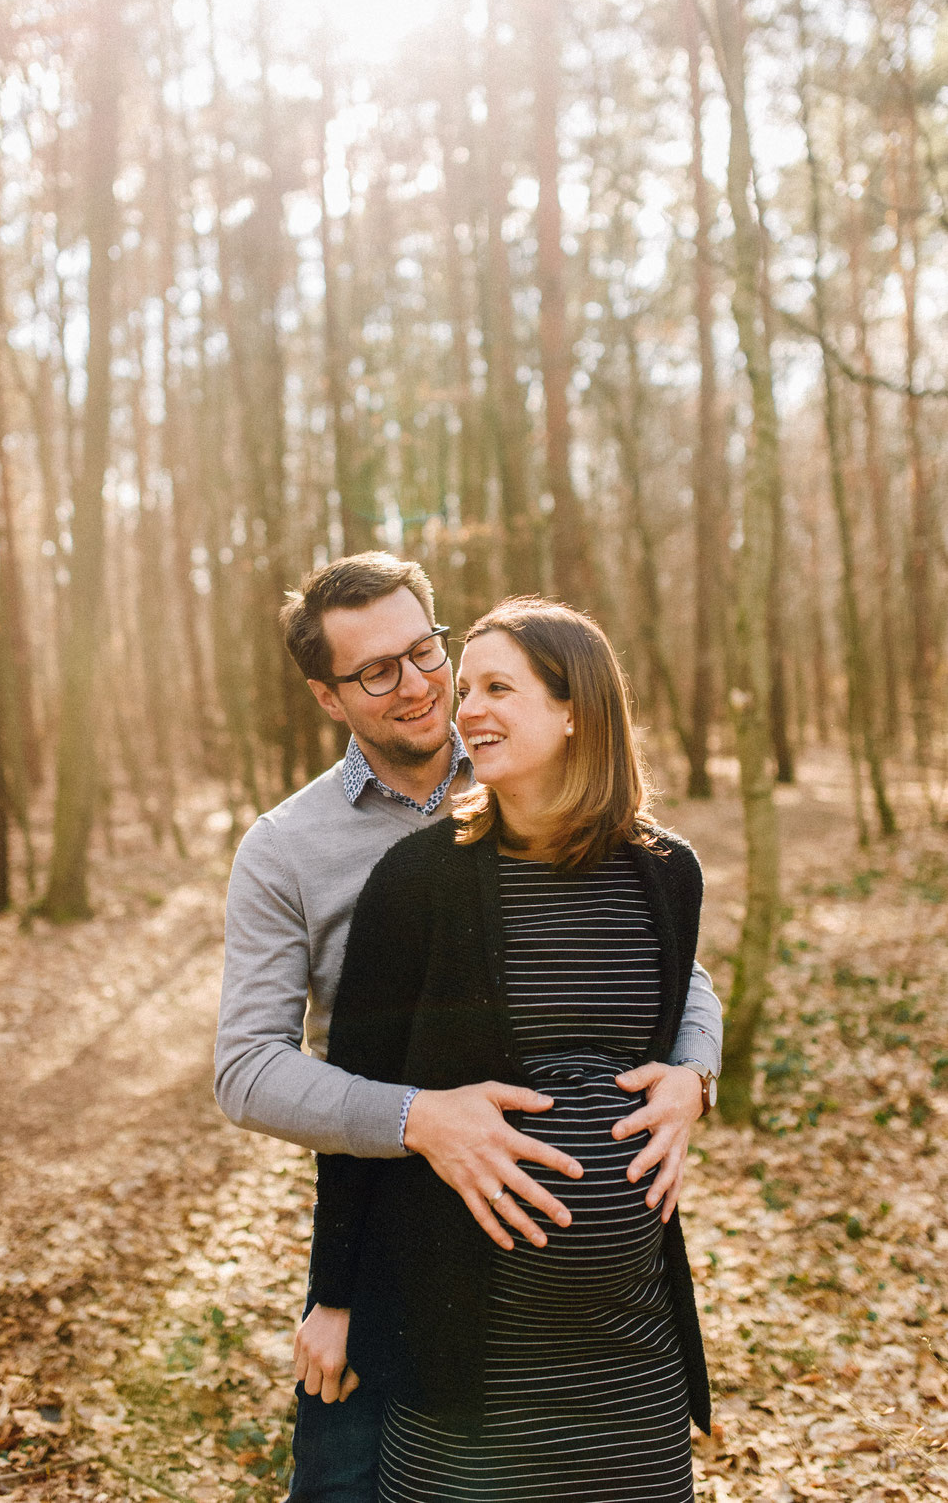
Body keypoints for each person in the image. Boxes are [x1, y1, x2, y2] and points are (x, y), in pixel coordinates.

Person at [214, 555, 721, 1502]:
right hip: (408, 1264)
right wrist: (416, 1130)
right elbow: (249, 1070)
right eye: (376, 671)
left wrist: (694, 1074)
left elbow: (675, 978)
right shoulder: (292, 849)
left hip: (612, 1330)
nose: (420, 686)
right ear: (328, 696)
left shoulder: (536, 780)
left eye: (423, 651)